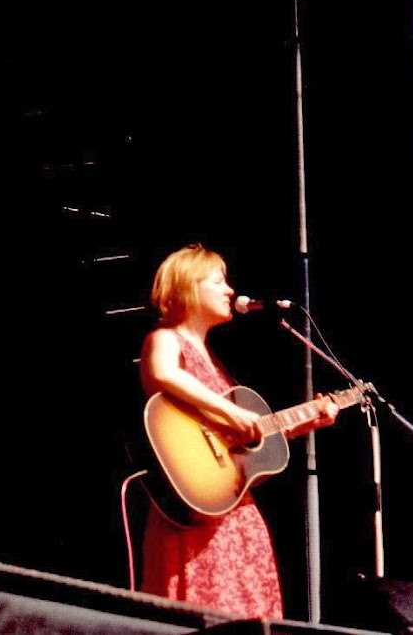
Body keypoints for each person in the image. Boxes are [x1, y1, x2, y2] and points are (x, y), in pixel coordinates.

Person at [137, 243, 339, 619]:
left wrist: (305, 423)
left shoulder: (215, 364)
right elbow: (162, 373)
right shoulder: (165, 339)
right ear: (189, 286)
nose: (230, 290)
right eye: (219, 281)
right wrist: (230, 411)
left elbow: (242, 447)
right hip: (193, 517)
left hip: (233, 515)